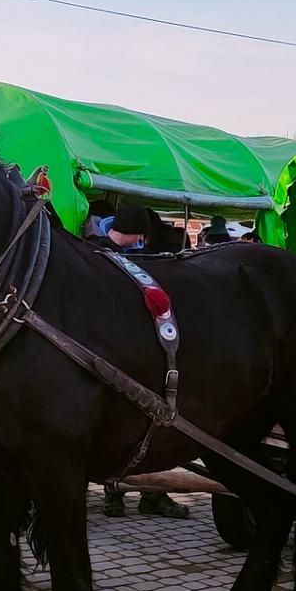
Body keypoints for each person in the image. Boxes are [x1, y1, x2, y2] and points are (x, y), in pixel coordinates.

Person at [98, 202, 189, 518]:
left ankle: (129, 495)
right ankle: (130, 492)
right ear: (138, 233)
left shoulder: (94, 251)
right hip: (122, 352)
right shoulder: (111, 258)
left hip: (117, 351)